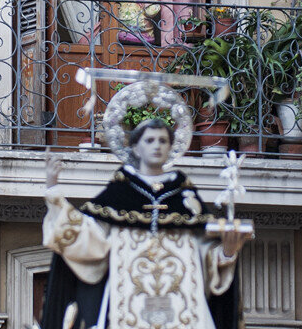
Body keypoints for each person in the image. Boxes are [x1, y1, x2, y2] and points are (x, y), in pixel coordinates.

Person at [41, 118, 248, 329]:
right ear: (135, 148)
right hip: (126, 309)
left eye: (162, 140)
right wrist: (52, 190)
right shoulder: (119, 194)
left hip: (183, 311)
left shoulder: (186, 198)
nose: (157, 146)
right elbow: (88, 240)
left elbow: (205, 254)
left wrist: (227, 253)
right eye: (149, 140)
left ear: (171, 147)